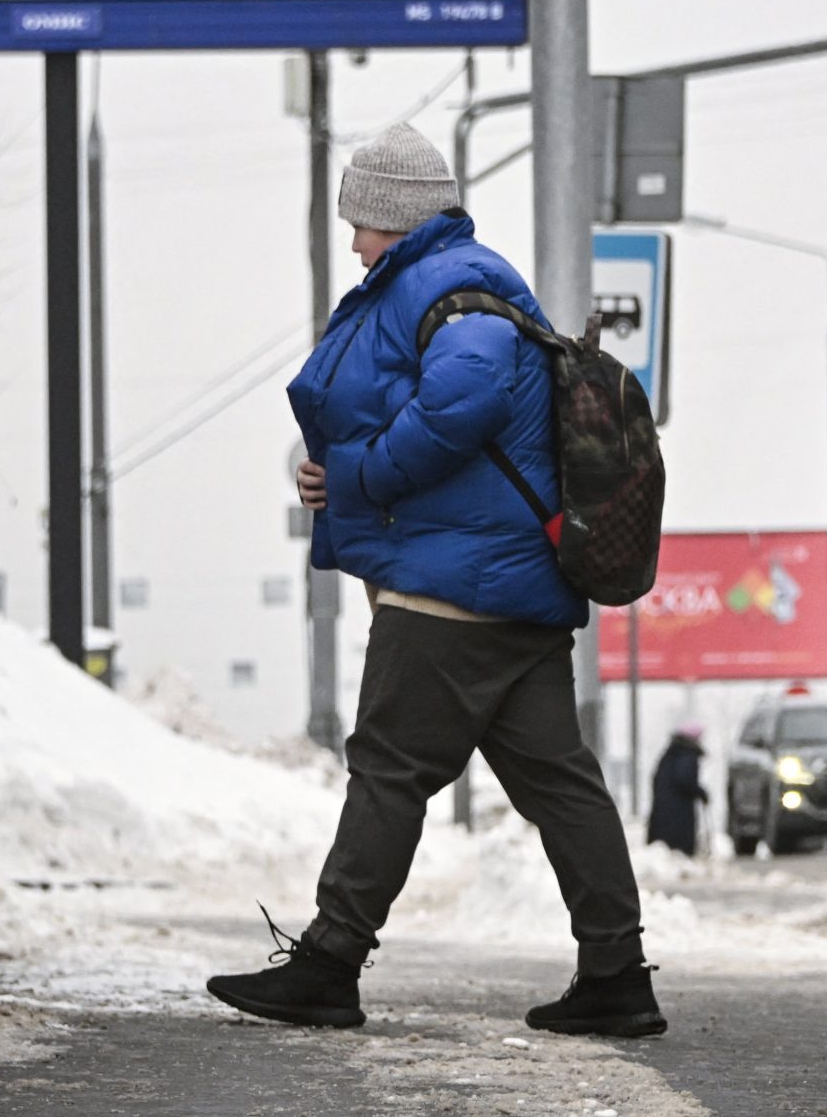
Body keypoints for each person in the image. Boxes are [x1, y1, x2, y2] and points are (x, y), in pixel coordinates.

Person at [205, 123, 664, 1038]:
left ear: (397, 216)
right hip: (505, 586)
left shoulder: (452, 289)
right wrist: (333, 474)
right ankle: (616, 973)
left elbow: (467, 399)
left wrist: (362, 474)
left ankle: (330, 962)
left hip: (453, 591)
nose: (354, 242)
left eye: (363, 223)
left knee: (388, 769)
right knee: (559, 785)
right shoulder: (448, 283)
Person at [646, 724, 708, 857]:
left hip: (665, 809)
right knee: (678, 849)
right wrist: (700, 792)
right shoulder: (686, 755)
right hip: (678, 812)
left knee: (666, 847)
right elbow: (684, 779)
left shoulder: (672, 753)